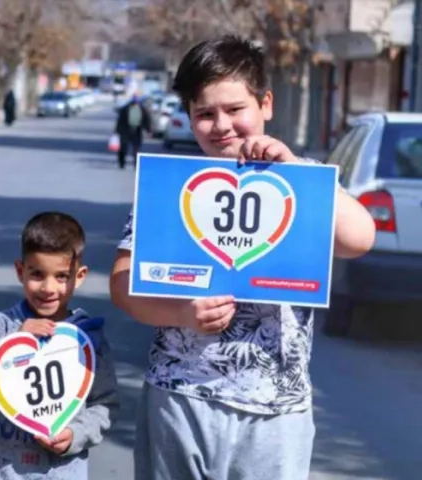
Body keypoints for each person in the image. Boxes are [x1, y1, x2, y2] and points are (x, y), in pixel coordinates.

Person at [108, 35, 376, 480]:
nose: (221, 125)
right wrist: (182, 312)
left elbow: (359, 238)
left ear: (265, 104)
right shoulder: (173, 186)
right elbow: (122, 283)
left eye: (235, 109)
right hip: (180, 396)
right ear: (189, 119)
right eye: (205, 114)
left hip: (277, 411)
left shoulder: (300, 177)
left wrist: (290, 167)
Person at [0, 212, 119, 480]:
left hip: (60, 471)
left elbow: (104, 404)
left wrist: (75, 434)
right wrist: (10, 342)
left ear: (80, 275)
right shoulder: (0, 326)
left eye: (62, 276)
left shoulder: (88, 337)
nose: (48, 287)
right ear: (20, 271)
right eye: (37, 274)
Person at [113, 93, 149, 169]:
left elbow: (146, 120)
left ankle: (136, 165)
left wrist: (148, 129)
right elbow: (120, 120)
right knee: (123, 148)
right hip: (126, 130)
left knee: (136, 150)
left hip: (137, 131)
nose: (135, 103)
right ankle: (121, 163)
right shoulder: (125, 109)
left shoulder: (142, 109)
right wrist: (117, 131)